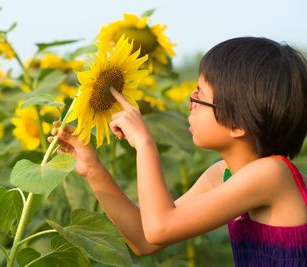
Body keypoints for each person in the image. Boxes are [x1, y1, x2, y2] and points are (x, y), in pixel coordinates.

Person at [48, 37, 307, 266]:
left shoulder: (272, 174)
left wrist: (145, 145)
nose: (190, 102)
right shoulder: (223, 174)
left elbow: (159, 229)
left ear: (238, 123)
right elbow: (144, 239)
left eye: (200, 96)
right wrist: (93, 169)